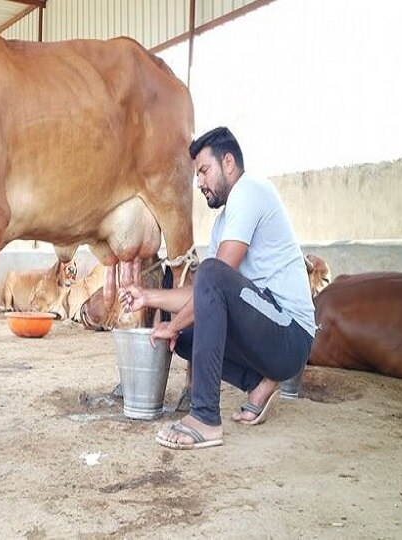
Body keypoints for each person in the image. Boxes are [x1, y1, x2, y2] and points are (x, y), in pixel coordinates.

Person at [119, 126, 315, 450]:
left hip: (290, 335)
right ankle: (258, 384)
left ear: (228, 163)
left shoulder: (250, 191)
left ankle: (206, 418)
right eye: (197, 176)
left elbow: (215, 277)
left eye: (204, 171)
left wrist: (171, 324)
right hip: (269, 336)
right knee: (185, 338)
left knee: (207, 279)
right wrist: (148, 297)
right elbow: (206, 294)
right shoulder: (225, 220)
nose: (200, 183)